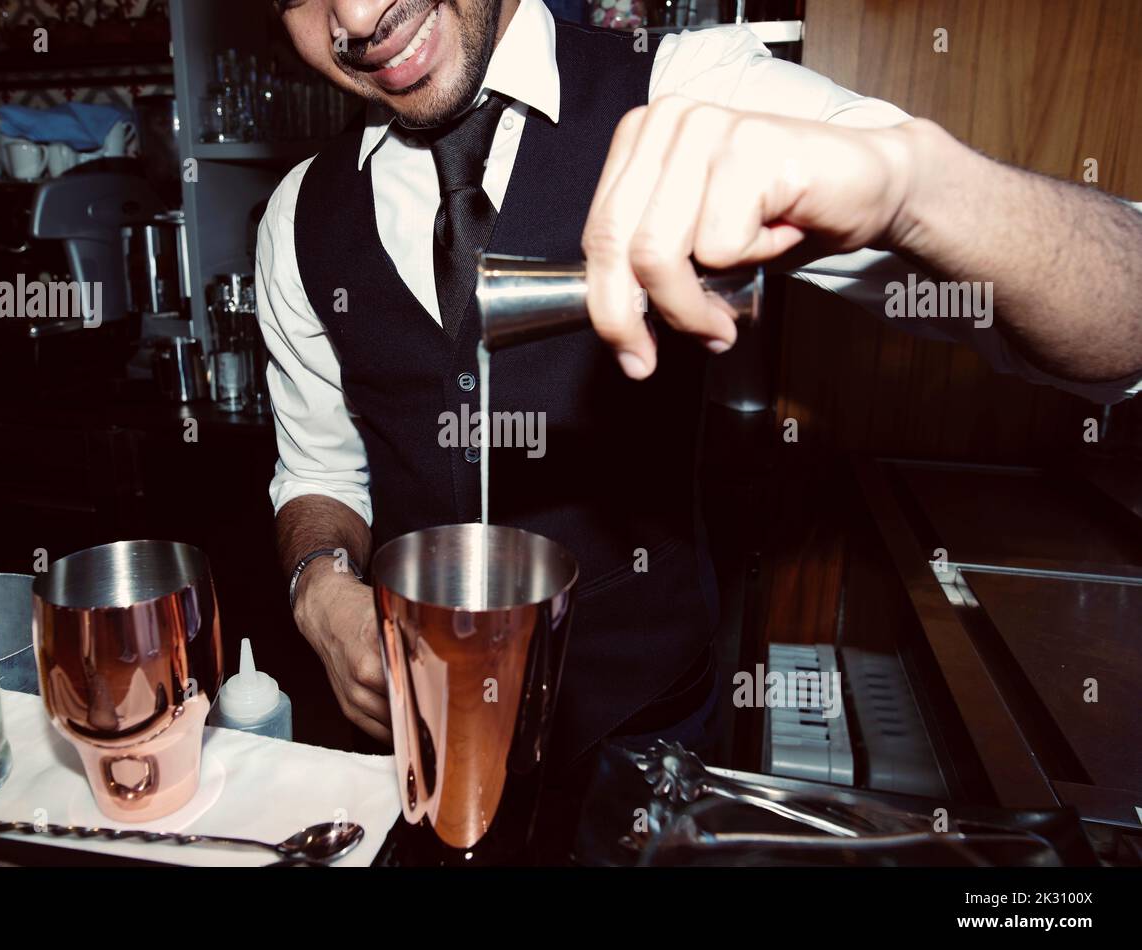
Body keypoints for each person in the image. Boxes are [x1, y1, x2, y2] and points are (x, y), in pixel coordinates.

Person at [256, 0, 1142, 765]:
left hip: (649, 741)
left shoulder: (695, 87)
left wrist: (911, 187)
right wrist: (318, 585)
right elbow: (322, 472)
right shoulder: (298, 216)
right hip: (425, 758)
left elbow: (1125, 326)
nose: (360, 18)